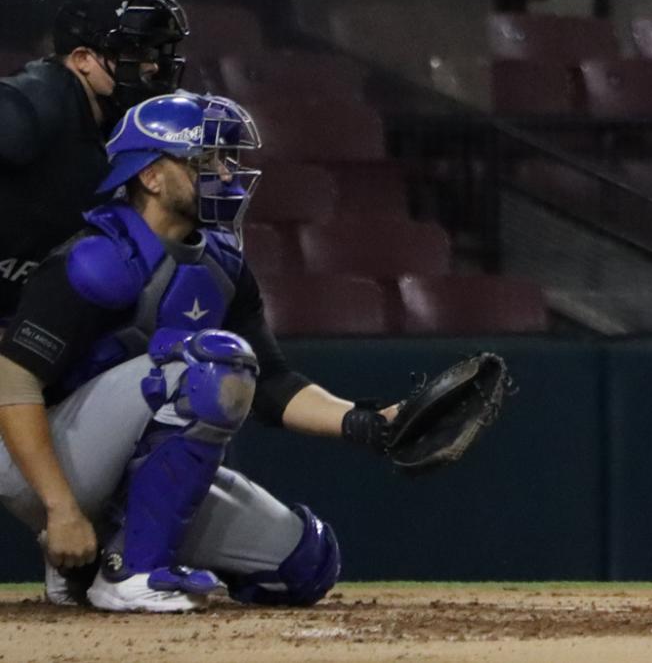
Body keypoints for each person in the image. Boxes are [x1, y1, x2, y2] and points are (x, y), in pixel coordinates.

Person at [0, 92, 395, 610]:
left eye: (228, 159)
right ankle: (130, 572)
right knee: (208, 364)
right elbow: (12, 379)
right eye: (206, 160)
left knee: (306, 563)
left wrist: (368, 421)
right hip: (43, 463)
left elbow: (273, 384)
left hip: (126, 474)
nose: (226, 172)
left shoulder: (223, 264)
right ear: (150, 176)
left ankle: (106, 556)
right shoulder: (98, 257)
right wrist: (61, 508)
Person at [1, 0, 189, 301]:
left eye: (155, 51)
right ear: (83, 59)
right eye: (136, 52)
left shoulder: (122, 118)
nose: (153, 65)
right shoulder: (28, 105)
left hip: (46, 307)